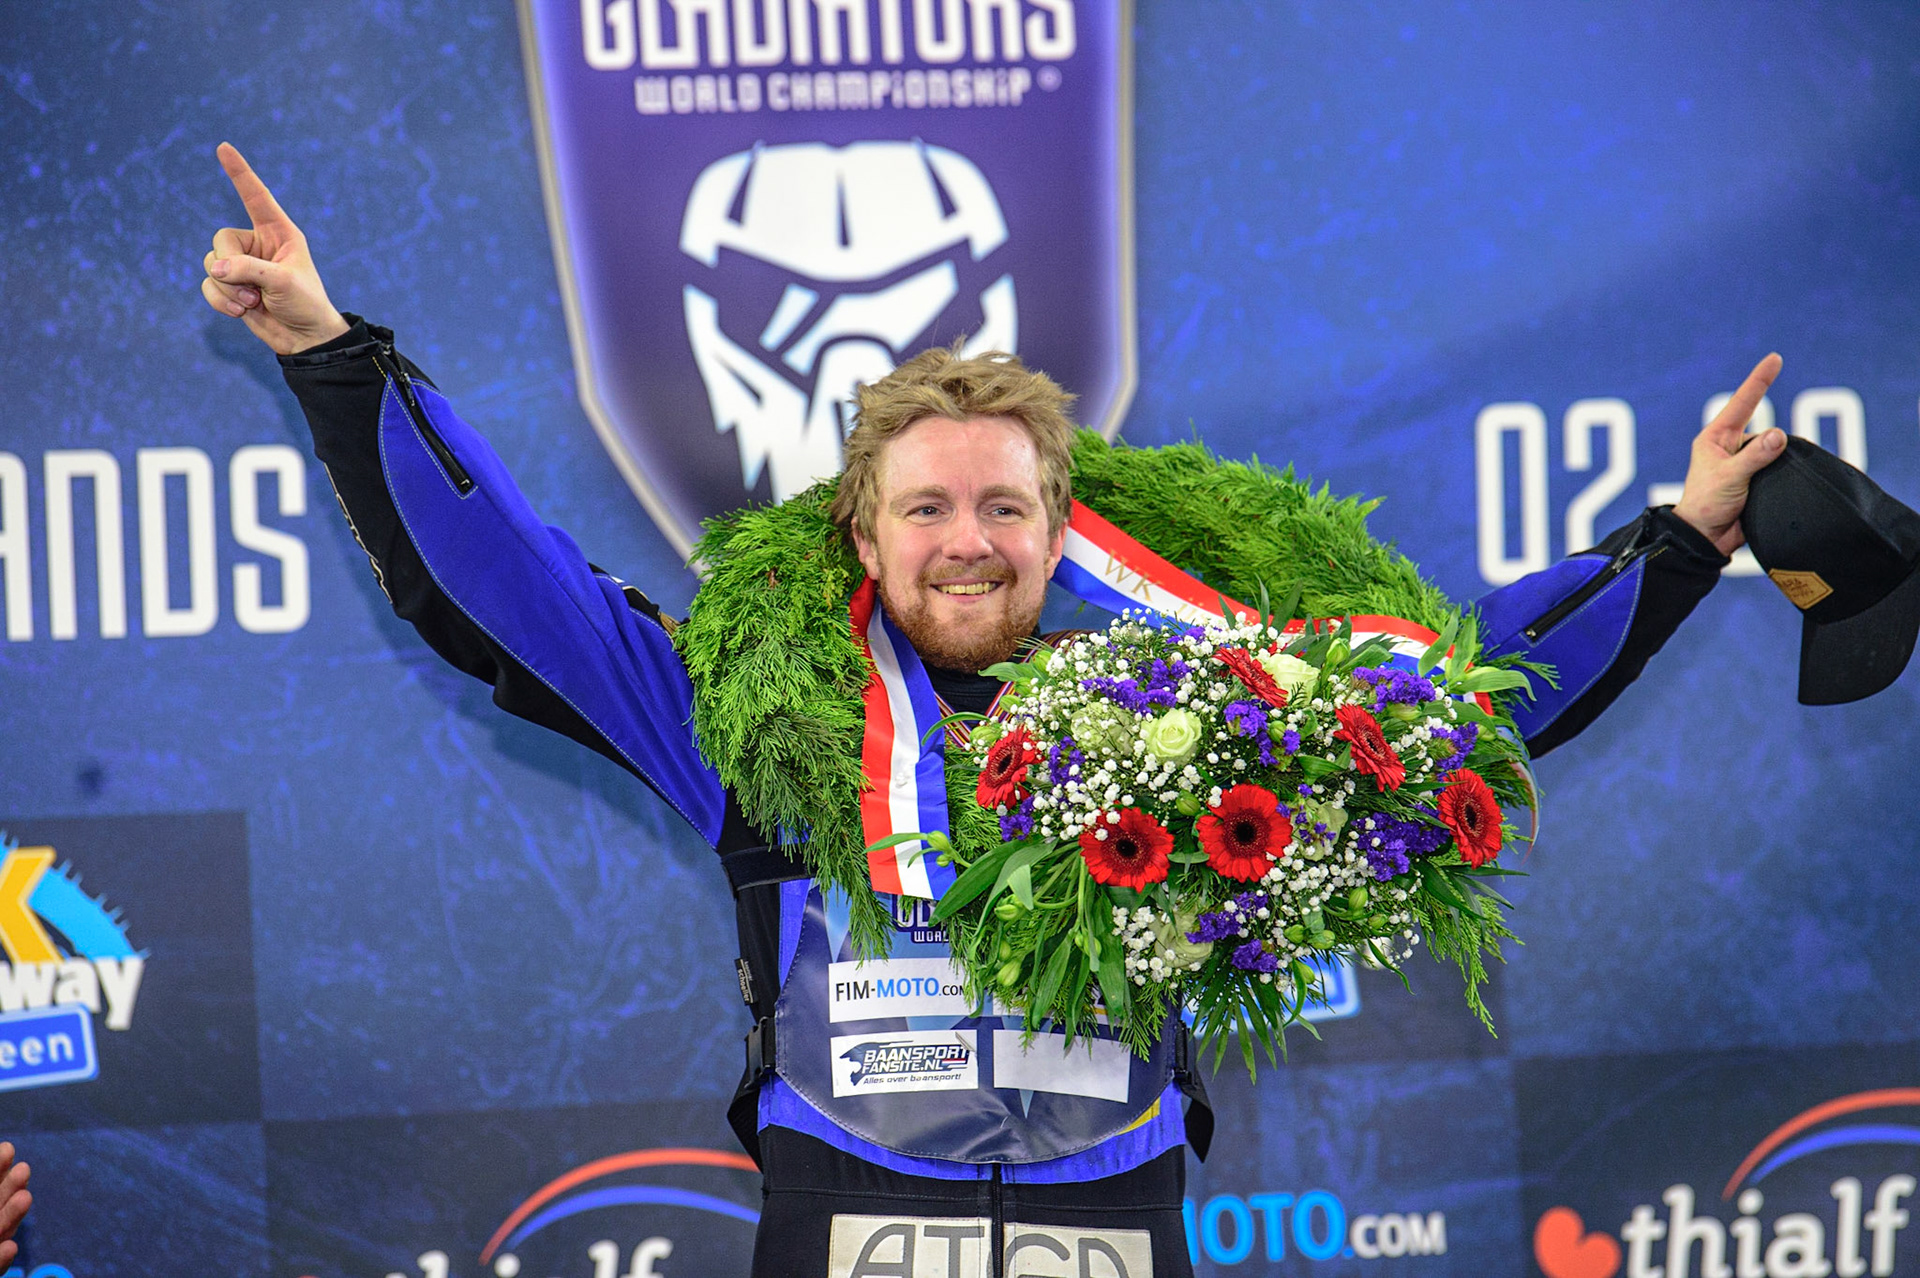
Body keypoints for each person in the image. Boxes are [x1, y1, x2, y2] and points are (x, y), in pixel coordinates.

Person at [201, 141, 1785, 1277]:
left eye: (1006, 508)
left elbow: (1455, 697)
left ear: (1058, 526)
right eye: (930, 508)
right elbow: (511, 581)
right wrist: (334, 354)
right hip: (842, 1218)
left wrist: (1686, 534)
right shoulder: (753, 723)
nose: (969, 540)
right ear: (864, 530)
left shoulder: (1200, 719)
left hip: (1121, 1222)